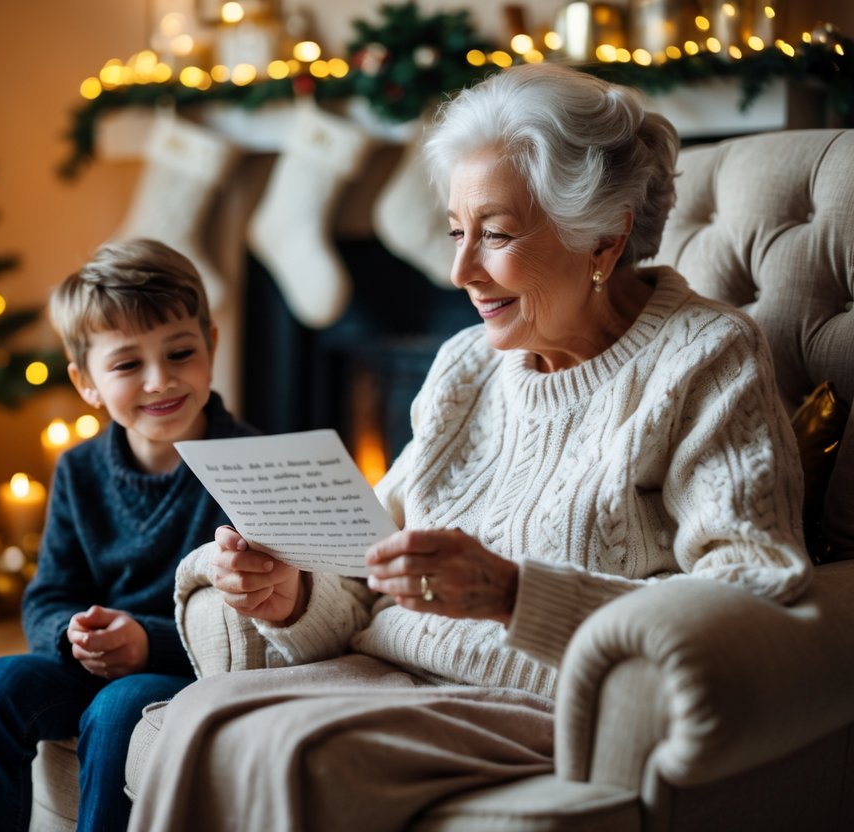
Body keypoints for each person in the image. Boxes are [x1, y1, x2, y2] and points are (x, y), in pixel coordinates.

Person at [126, 64, 813, 832]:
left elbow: (751, 588)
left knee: (289, 750)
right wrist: (288, 592)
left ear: (603, 235)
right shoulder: (467, 363)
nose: (459, 270)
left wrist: (513, 595)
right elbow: (367, 570)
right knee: (202, 714)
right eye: (457, 231)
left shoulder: (704, 356)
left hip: (540, 700)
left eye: (495, 233)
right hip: (392, 668)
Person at [0, 238, 256, 832]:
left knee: (121, 709)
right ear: (86, 382)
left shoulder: (249, 466)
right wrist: (72, 636)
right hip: (90, 663)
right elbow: (48, 594)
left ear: (212, 344)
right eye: (126, 364)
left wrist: (147, 644)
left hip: (187, 666)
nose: (159, 380)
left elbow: (248, 627)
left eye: (180, 352)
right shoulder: (78, 470)